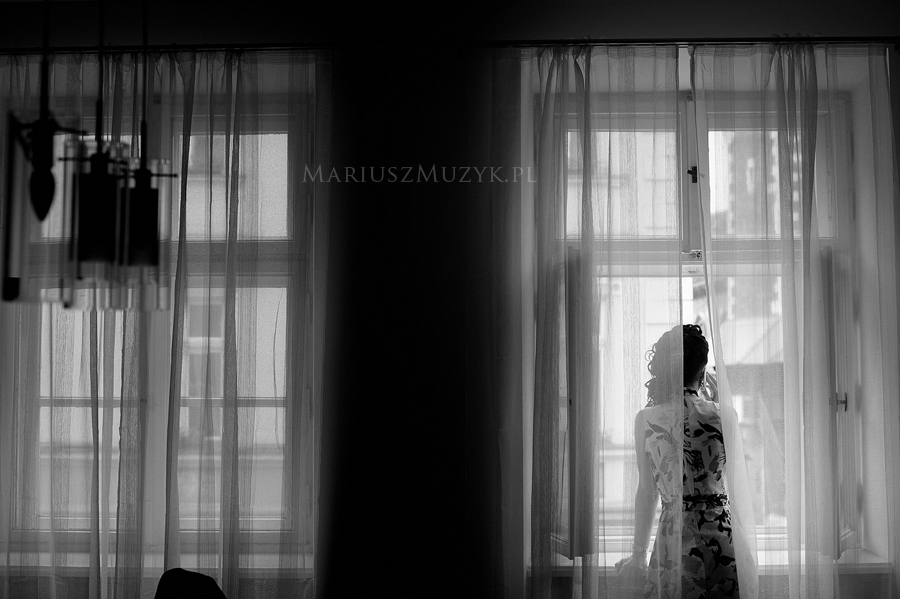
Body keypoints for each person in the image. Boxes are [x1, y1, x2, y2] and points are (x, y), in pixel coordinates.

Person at [615, 324, 740, 598]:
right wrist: (719, 405)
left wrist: (638, 554)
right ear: (703, 372)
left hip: (674, 538)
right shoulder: (726, 415)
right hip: (722, 537)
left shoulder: (646, 419)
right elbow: (734, 481)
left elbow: (647, 492)